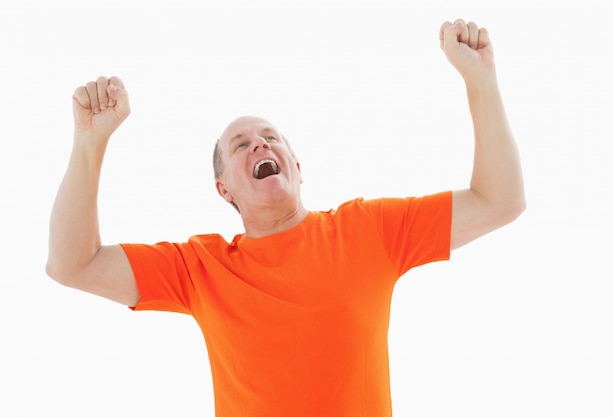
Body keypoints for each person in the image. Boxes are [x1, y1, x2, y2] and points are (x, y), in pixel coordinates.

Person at [46, 19, 525, 417]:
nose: (261, 144)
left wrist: (481, 83)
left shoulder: (368, 229)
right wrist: (91, 144)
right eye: (241, 145)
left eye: (271, 137)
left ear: (296, 168)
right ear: (224, 189)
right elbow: (73, 264)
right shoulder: (200, 268)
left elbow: (499, 200)